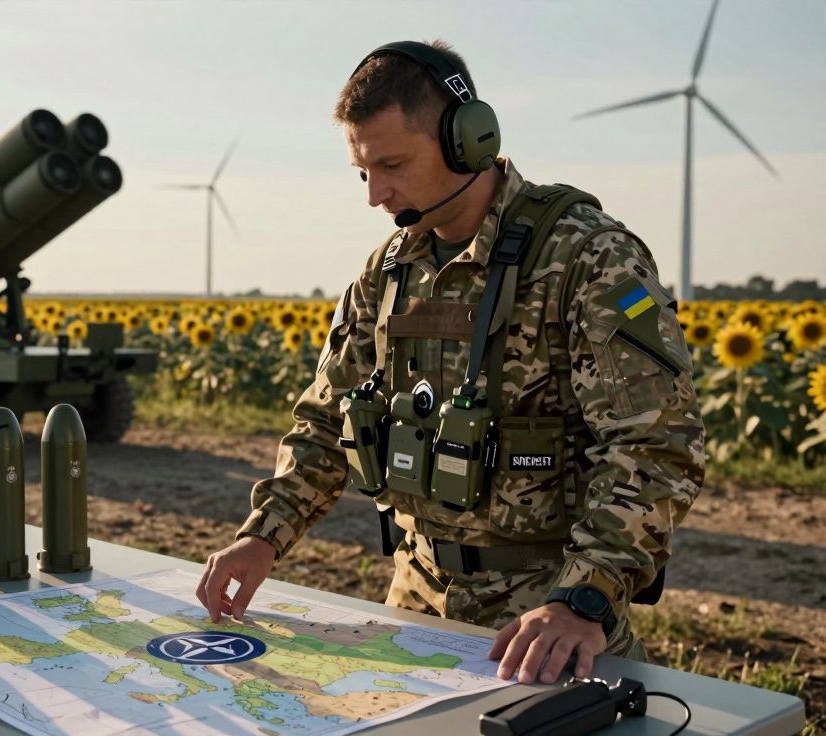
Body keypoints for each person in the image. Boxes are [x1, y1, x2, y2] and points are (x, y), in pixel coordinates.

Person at [196, 39, 705, 687]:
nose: (376, 194)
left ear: (469, 140)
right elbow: (325, 422)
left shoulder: (586, 257)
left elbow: (655, 445)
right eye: (363, 171)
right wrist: (262, 535)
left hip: (547, 623)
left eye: (394, 164)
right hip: (416, 604)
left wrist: (584, 599)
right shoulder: (387, 273)